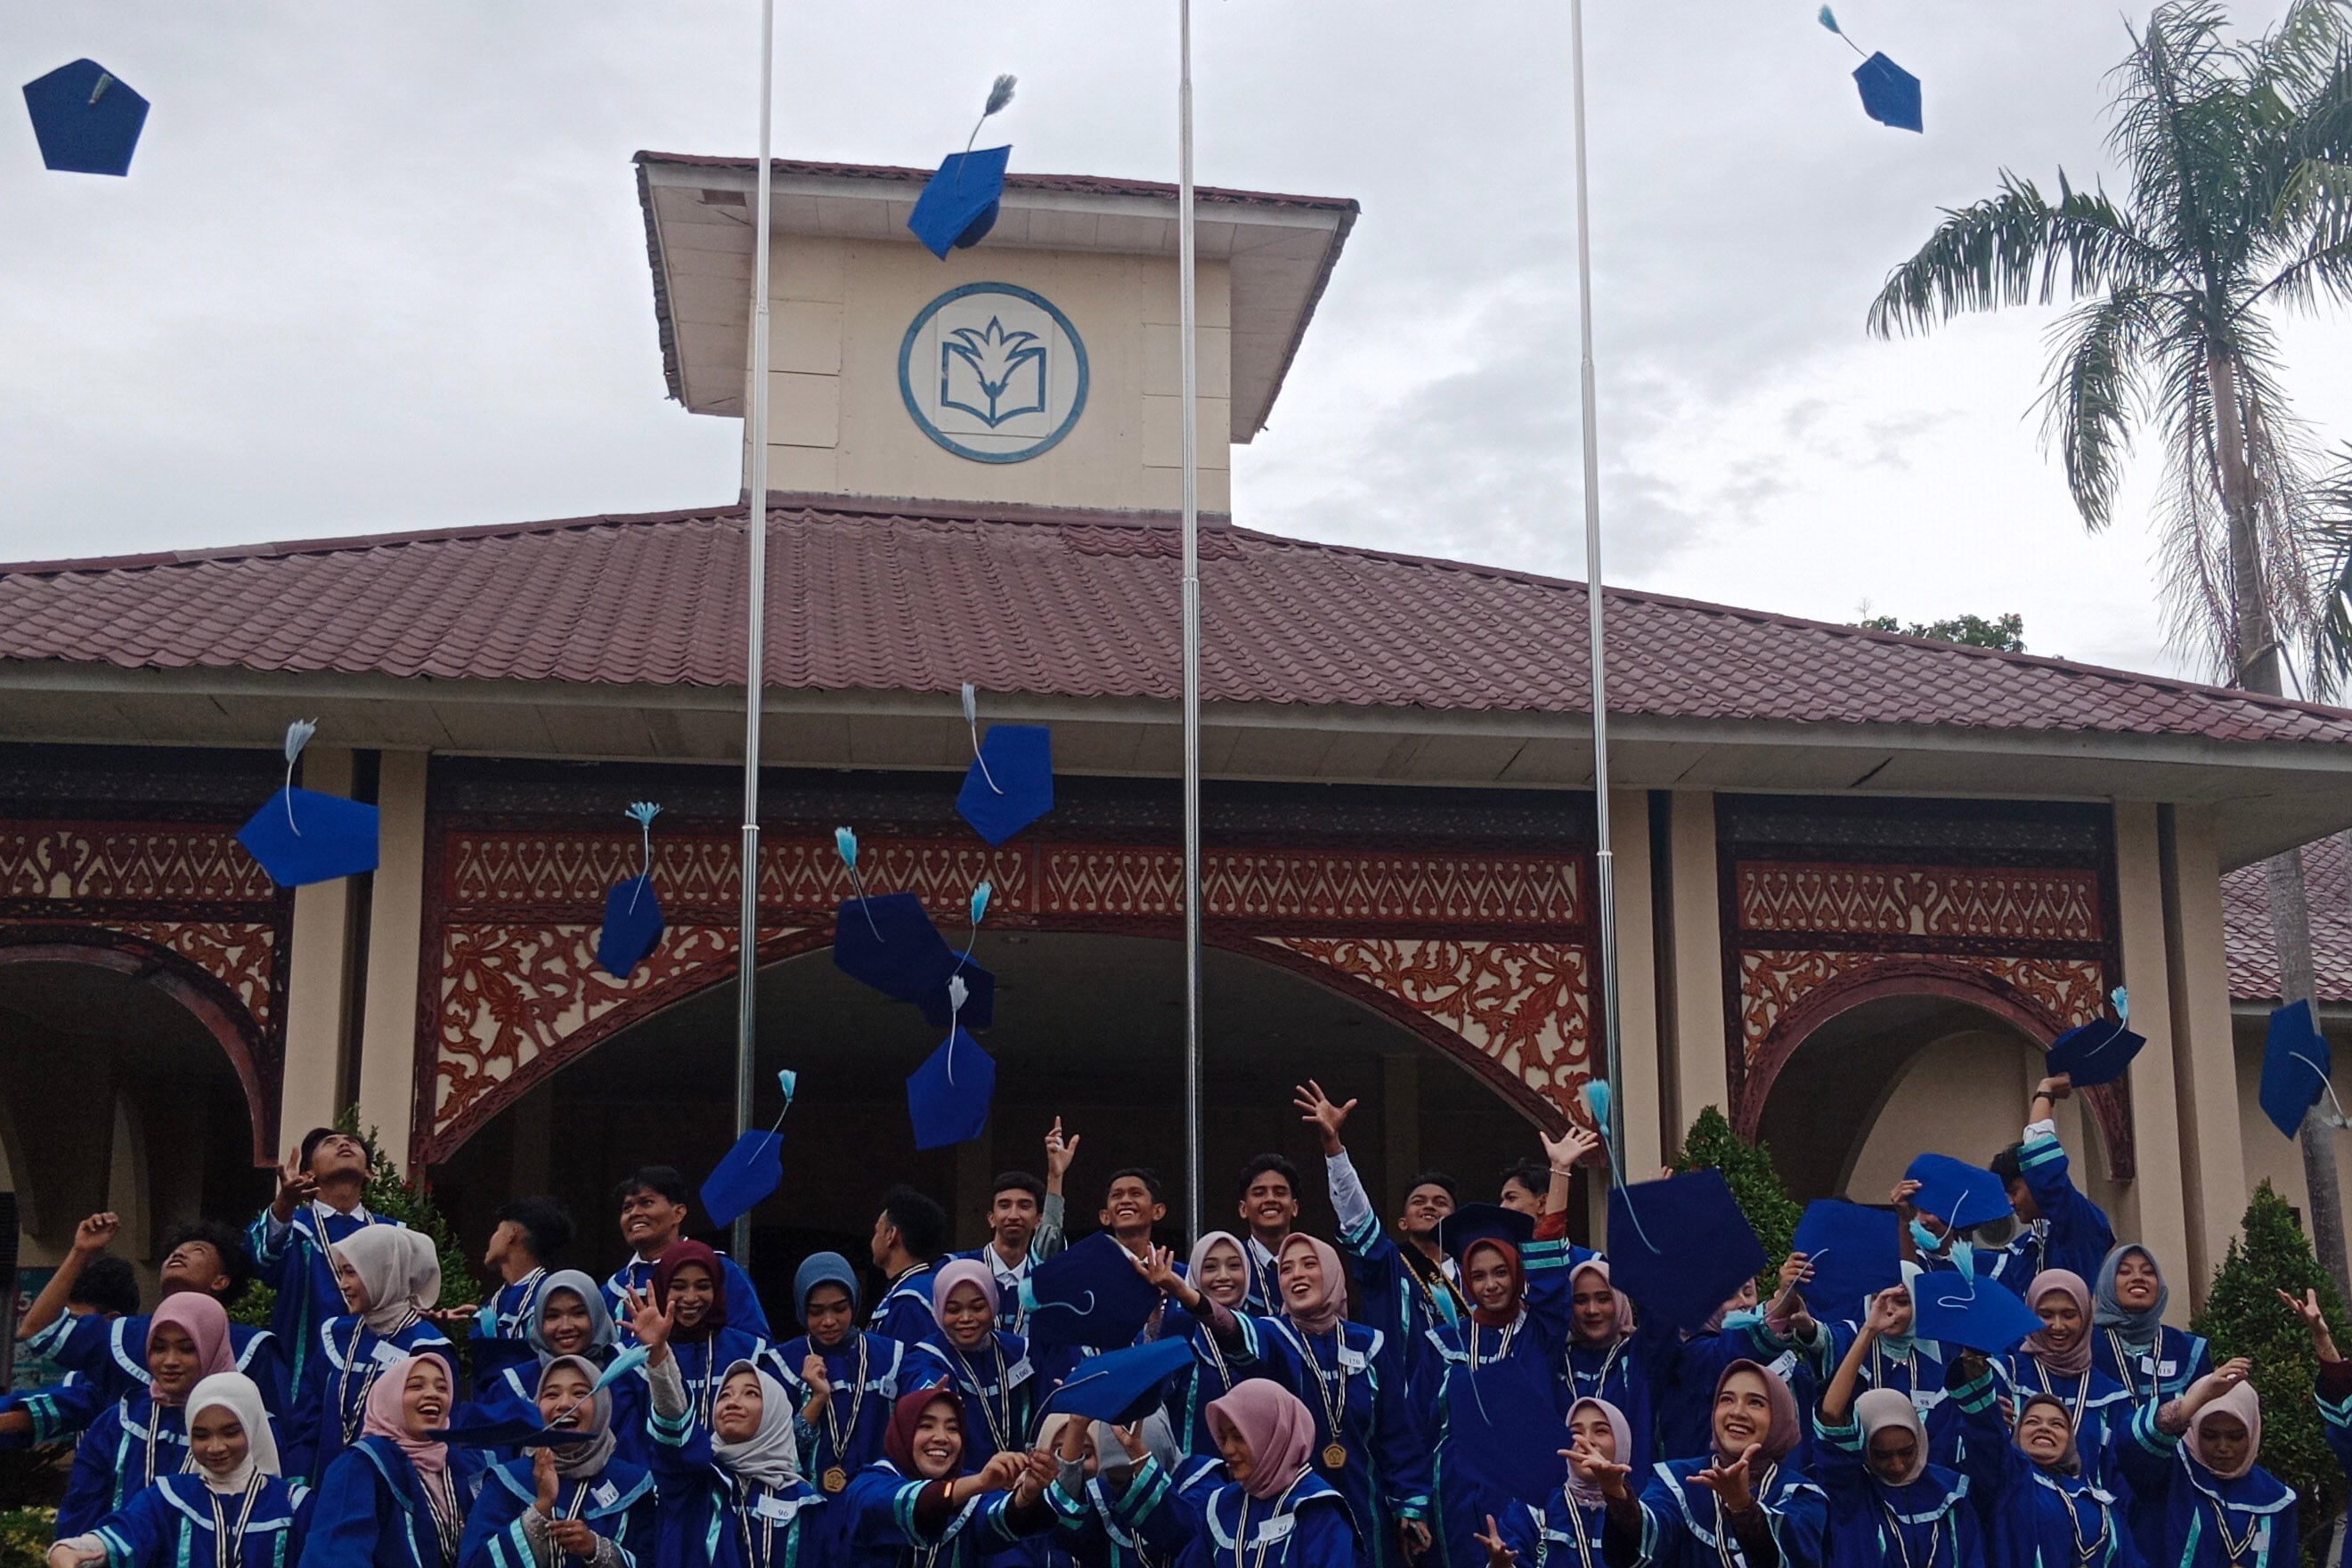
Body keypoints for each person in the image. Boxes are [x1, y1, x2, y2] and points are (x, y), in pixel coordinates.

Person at [1259, 1232, 1432, 1568]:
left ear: (1332, 1271)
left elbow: (1397, 1434)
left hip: (1366, 1506)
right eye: (1286, 1269)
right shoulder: (1272, 1340)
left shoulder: (1369, 1344)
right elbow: (1232, 1332)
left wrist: (1410, 1506)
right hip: (1294, 1512)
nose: (1297, 1275)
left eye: (1310, 1264)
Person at [13, 1212, 284, 1413]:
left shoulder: (252, 1347)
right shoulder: (123, 1334)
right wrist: (80, 1251)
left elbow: (279, 1426)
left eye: (197, 1251)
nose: (179, 1255)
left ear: (221, 1280)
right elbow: (37, 1331)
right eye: (174, 1252)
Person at [1296, 1082, 1465, 1404]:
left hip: (1462, 1410)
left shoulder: (1476, 1278)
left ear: (1455, 1221)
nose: (1429, 1206)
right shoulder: (1387, 1266)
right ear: (1402, 1222)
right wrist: (1333, 1146)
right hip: (1400, 1411)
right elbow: (1356, 1215)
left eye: (1440, 1202)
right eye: (1419, 1201)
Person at [44, 1370, 309, 1568]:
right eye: (201, 1435)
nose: (216, 1447)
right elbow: (126, 1532)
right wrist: (74, 1549)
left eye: (230, 1432)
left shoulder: (294, 1505)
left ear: (252, 1427)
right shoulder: (168, 1498)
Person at [1427, 1228, 1576, 1568]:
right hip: (1457, 1493)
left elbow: (1552, 1280)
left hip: (1525, 1489)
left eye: (1501, 1272)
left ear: (1517, 1273)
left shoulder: (1539, 1332)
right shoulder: (1443, 1342)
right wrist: (1415, 1498)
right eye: (1478, 1276)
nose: (1490, 1285)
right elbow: (1421, 1422)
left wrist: (1560, 1174)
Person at [1589, 1361, 1826, 1568]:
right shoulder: (1680, 1480)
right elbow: (1649, 1539)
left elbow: (1796, 1556)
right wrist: (1617, 1496)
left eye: (1756, 1403)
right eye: (1726, 1399)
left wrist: (1742, 1506)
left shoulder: (1800, 1494)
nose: (1737, 1412)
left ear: (1780, 1418)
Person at [1810, 1290, 1982, 1566]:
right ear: (1863, 1450)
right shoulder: (1851, 1494)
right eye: (1882, 1455)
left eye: (1907, 1452)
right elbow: (1831, 1413)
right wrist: (1868, 1330)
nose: (1898, 1466)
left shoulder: (1952, 1496)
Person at [50, 1293, 241, 1538]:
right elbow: (81, 1509)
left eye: (187, 1349)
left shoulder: (244, 1422)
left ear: (212, 1347)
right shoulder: (119, 1421)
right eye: (159, 1348)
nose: (170, 1361)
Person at [248, 1126, 407, 1401]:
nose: (343, 1145)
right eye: (330, 1143)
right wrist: (285, 1203)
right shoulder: (294, 1226)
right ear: (309, 1173)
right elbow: (261, 1261)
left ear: (369, 1172)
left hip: (373, 1374)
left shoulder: (393, 1233)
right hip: (302, 1372)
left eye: (352, 1143)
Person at [771, 1253, 909, 1563]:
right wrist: (817, 1400)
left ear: (855, 1303)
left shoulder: (892, 1358)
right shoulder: (780, 1365)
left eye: (840, 1308)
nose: (829, 1321)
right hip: (807, 1515)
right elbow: (777, 1452)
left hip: (873, 1511)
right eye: (816, 1311)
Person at [643, 1328, 820, 1568]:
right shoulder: (694, 1481)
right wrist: (659, 1357)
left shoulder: (804, 1503)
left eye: (751, 1393)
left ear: (773, 1412)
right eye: (724, 1395)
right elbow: (675, 1425)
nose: (733, 1402)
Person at [290, 1226, 454, 1483]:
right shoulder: (336, 1336)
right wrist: (298, 1487)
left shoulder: (427, 1346)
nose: (343, 1285)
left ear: (383, 1272)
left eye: (351, 1273)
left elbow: (437, 1435)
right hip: (327, 1485)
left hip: (393, 1490)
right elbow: (306, 1422)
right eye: (341, 1273)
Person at [459, 1354, 655, 1567]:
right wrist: (539, 1511)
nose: (564, 1404)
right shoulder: (505, 1482)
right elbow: (473, 1562)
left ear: (602, 1404)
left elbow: (655, 1559)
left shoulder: (633, 1486)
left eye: (581, 1393)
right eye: (551, 1394)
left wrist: (596, 1549)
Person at [1946, 1352, 2135, 1568]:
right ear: (2017, 1433)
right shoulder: (2009, 1479)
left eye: (2057, 1424)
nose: (2044, 1427)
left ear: (2072, 1440)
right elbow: (1987, 1439)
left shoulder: (2098, 1501)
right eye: (2032, 1421)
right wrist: (1975, 1373)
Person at [844, 1385, 1060, 1568]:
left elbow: (995, 1522)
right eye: (926, 1426)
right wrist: (980, 1483)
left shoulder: (969, 1489)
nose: (941, 1438)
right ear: (903, 1432)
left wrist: (1027, 1493)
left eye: (953, 1428)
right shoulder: (867, 1485)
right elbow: (918, 1504)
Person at [305, 1352, 482, 1568]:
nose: (433, 1394)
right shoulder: (361, 1466)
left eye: (442, 1388)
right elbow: (337, 1553)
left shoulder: (466, 1466)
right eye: (416, 1386)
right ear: (390, 1397)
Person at [460, 1268, 644, 1470]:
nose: (565, 1326)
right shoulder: (512, 1387)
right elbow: (487, 1460)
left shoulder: (626, 1378)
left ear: (597, 1314)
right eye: (552, 1316)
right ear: (538, 1320)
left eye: (578, 1313)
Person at [2127, 1361, 2293, 1567]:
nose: (2223, 1447)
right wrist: (2196, 1400)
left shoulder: (2277, 1499)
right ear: (2194, 1430)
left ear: (2253, 1431)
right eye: (2210, 1435)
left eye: (2235, 1436)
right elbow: (2131, 1446)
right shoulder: (2167, 1477)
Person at [1176, 1381, 1359, 1568]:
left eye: (1239, 1437)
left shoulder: (1318, 1511)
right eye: (1223, 1437)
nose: (1228, 1449)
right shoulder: (1222, 1506)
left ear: (1273, 1436)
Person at [619, 1241, 770, 1448]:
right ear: (662, 1288)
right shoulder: (631, 1359)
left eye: (703, 1286)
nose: (690, 1298)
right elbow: (627, 1443)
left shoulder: (750, 1352)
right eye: (678, 1286)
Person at [1992, 1270, 2132, 1485]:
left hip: (2089, 1515)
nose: (2057, 1326)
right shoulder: (2004, 1375)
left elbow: (2121, 1478)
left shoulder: (2112, 1397)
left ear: (2086, 1317)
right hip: (2018, 1509)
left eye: (2069, 1315)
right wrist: (1986, 1420)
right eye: (2046, 1315)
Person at [1133, 1234, 1267, 1458]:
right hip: (1193, 1474)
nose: (1223, 1276)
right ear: (1194, 1274)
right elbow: (1153, 1395)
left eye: (1234, 1266)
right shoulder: (1179, 1329)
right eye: (1210, 1267)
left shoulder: (1262, 1331)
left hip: (1254, 1467)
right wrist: (1156, 1320)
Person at [903, 1261, 1041, 1473]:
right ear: (938, 1310)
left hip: (1020, 1483)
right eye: (953, 1309)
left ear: (994, 1304)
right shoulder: (927, 1359)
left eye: (977, 1307)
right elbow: (924, 1386)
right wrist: (931, 1398)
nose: (966, 1318)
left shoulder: (1019, 1352)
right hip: (961, 1487)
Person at [605, 1168, 769, 1343]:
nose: (634, 1213)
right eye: (627, 1207)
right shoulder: (614, 1288)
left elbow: (755, 1344)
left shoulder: (721, 1270)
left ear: (679, 1213)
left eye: (646, 1203)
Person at [1040, 1413, 1218, 1568]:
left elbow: (1184, 1536)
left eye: (1135, 1478)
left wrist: (1137, 1454)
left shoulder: (1203, 1484)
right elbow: (1065, 1529)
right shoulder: (1102, 1494)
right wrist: (1077, 1426)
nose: (1128, 1492)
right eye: (1116, 1481)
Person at [1472, 1398, 1627, 1568]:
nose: (1587, 1441)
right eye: (1576, 1432)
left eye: (1601, 1431)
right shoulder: (1533, 1513)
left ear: (1622, 1442)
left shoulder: (1640, 1517)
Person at [2091, 1242, 2212, 1408]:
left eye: (2148, 1272)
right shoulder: (2086, 1346)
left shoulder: (2189, 1350)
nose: (2138, 1278)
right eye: (2125, 1271)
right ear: (2107, 1284)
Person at [466, 1196, 575, 1347]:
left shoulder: (551, 1296)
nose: (491, 1239)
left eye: (497, 1230)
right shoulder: (494, 1303)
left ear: (512, 1233)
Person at [960, 1171, 1054, 1338]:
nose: (1013, 1215)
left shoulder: (1044, 1280)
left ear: (1038, 1220)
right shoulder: (959, 1267)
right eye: (1004, 1206)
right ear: (991, 1218)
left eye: (1024, 1206)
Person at [870, 1186, 952, 1346]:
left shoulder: (910, 1300)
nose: (873, 1240)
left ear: (891, 1235)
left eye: (876, 1231)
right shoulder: (926, 1286)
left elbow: (906, 1365)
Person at [1235, 1156, 1303, 1313]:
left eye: (1279, 1193)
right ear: (1243, 1209)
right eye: (1259, 1193)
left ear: (1294, 1207)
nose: (1270, 1199)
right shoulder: (1233, 1262)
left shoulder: (1314, 1262)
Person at [1098, 1170, 1173, 1263]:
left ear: (1157, 1211)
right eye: (1116, 1195)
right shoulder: (1084, 1269)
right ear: (1105, 1216)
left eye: (1136, 1194)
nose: (1125, 1200)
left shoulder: (1180, 1274)